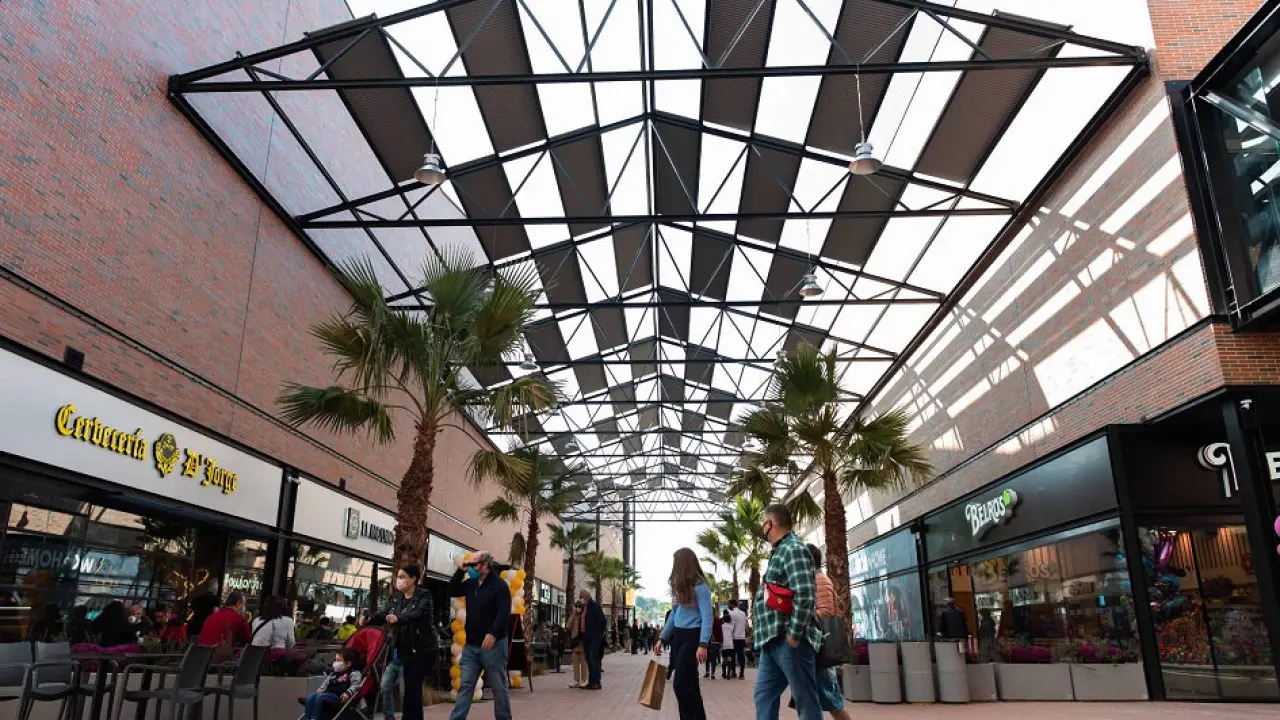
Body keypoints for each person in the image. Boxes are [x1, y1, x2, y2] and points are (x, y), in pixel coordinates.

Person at [752, 504, 822, 720]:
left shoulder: (793, 549)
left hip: (789, 640)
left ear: (770, 523)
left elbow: (805, 593)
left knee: (806, 702)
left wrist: (794, 634)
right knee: (763, 696)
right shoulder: (780, 551)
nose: (762, 528)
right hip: (773, 640)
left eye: (762, 523)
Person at [448, 551, 511, 720]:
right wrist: (460, 571)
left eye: (473, 565)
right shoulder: (471, 584)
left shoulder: (499, 586)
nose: (470, 568)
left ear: (485, 565)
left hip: (494, 646)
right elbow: (451, 590)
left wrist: (493, 633)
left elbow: (503, 613)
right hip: (471, 646)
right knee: (466, 686)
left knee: (499, 687)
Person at [653, 548, 712, 720]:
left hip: (693, 636)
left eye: (676, 562)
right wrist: (662, 638)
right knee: (691, 684)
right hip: (678, 636)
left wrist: (703, 644)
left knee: (680, 684)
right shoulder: (678, 587)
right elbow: (674, 615)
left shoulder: (700, 587)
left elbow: (707, 616)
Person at [373, 564, 435, 720]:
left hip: (420, 649)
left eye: (402, 577)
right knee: (408, 690)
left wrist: (398, 619)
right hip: (402, 649)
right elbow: (384, 613)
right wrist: (369, 620)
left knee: (412, 690)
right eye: (398, 577)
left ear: (413, 579)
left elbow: (417, 615)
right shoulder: (397, 597)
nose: (398, 580)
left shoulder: (424, 596)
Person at [808, 544, 852, 720]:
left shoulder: (819, 580)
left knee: (832, 702)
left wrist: (804, 619)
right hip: (817, 648)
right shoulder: (815, 579)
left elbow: (825, 611)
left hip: (821, 649)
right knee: (814, 700)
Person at [301, 647, 365, 720]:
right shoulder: (333, 674)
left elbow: (356, 685)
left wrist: (348, 693)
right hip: (327, 694)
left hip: (338, 697)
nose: (335, 663)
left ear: (348, 663)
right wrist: (321, 688)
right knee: (311, 697)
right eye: (335, 660)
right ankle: (307, 717)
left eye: (338, 660)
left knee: (320, 697)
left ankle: (315, 718)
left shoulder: (354, 673)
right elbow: (325, 684)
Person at [577, 589, 606, 689]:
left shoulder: (594, 606)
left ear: (586, 596)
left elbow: (602, 620)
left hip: (594, 637)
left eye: (581, 597)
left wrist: (599, 633)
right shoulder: (584, 607)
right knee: (589, 659)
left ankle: (596, 682)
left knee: (594, 659)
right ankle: (592, 681)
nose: (580, 599)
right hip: (586, 637)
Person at [567, 599, 588, 688]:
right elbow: (568, 626)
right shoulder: (574, 616)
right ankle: (576, 680)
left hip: (583, 642)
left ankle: (584, 679)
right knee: (575, 662)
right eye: (577, 606)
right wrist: (573, 615)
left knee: (583, 663)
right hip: (575, 642)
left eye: (580, 606)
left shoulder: (586, 616)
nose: (578, 608)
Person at [726, 599, 748, 679]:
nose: (728, 606)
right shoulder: (743, 613)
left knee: (732, 655)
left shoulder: (731, 613)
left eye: (729, 604)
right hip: (741, 637)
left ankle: (733, 672)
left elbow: (730, 626)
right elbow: (745, 626)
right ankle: (742, 673)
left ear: (732, 605)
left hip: (733, 637)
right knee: (741, 655)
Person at [705, 606, 722, 680]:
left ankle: (712, 673)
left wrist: (720, 641)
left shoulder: (716, 620)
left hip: (714, 641)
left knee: (712, 658)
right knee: (708, 657)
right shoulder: (711, 619)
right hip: (708, 641)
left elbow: (720, 631)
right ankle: (708, 672)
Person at [720, 610, 734, 678]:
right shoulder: (731, 627)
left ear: (723, 620)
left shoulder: (721, 626)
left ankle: (724, 673)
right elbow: (732, 635)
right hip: (730, 645)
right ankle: (728, 673)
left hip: (724, 645)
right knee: (729, 659)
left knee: (724, 659)